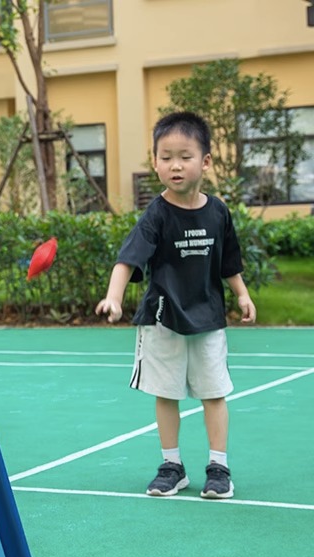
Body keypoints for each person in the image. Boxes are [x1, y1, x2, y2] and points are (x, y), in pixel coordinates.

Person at [96, 111, 256, 499]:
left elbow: (229, 261)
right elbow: (128, 259)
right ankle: (172, 466)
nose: (175, 165)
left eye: (185, 156)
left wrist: (241, 293)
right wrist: (113, 297)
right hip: (162, 319)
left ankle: (219, 467)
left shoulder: (218, 212)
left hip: (208, 319)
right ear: (155, 163)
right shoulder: (157, 213)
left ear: (205, 161)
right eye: (166, 157)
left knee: (214, 393)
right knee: (165, 394)